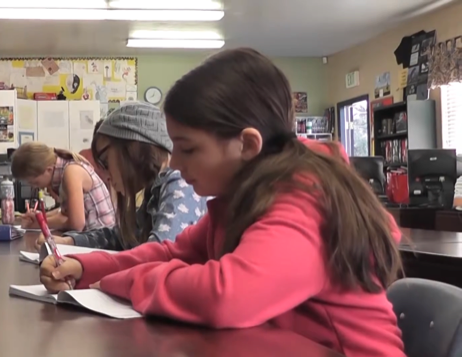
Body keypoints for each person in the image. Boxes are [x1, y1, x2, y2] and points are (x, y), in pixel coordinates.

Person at [39, 48, 406, 357]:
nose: (177, 164)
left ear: (247, 145)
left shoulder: (306, 200)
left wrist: (125, 281)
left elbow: (227, 296)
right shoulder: (242, 197)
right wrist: (87, 270)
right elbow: (173, 253)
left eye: (189, 148)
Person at [36, 102, 207, 251]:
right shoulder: (155, 190)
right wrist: (69, 242)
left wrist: (86, 268)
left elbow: (158, 254)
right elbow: (119, 238)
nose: (106, 175)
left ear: (132, 147)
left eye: (105, 161)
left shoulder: (179, 183)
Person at [11, 142, 115, 232]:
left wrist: (37, 225)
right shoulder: (65, 169)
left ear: (49, 170)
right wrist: (40, 218)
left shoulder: (71, 172)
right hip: (92, 237)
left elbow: (77, 224)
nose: (34, 187)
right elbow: (65, 212)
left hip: (102, 241)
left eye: (35, 182)